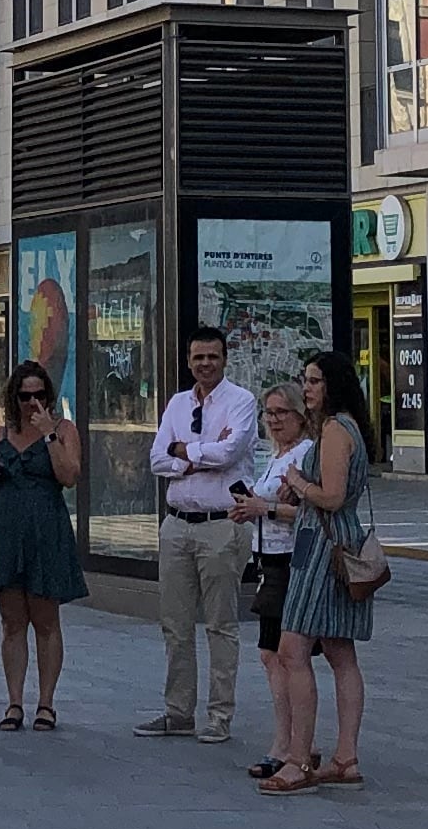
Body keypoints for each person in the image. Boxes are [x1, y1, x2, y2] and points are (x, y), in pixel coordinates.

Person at [264, 344, 380, 793]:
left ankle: (298, 758)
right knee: (339, 650)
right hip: (338, 540)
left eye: (313, 380)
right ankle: (345, 756)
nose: (306, 388)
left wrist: (296, 482)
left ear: (332, 385)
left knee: (293, 648)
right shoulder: (348, 428)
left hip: (324, 546)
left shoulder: (334, 430)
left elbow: (331, 496)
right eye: (305, 380)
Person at [138, 323, 257, 740]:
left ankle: (219, 716)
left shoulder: (241, 402)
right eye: (198, 357)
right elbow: (155, 458)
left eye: (213, 356)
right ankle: (178, 712)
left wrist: (183, 450)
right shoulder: (176, 404)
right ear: (188, 361)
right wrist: (190, 457)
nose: (205, 364)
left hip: (222, 525)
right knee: (175, 623)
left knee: (221, 624)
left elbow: (231, 453)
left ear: (225, 358)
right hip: (176, 524)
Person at [0, 360, 87, 728]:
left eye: (39, 395)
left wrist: (48, 434)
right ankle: (14, 702)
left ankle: (47, 703)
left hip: (45, 530)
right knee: (12, 622)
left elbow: (69, 476)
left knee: (46, 619)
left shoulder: (63, 429)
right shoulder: (2, 433)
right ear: (14, 397)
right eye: (25, 396)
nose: (32, 403)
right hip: (7, 531)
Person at [240, 383, 311, 782]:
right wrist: (253, 508)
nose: (274, 420)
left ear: (300, 415)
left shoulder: (304, 454)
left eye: (282, 412)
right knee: (272, 653)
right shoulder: (275, 455)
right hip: (267, 556)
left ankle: (288, 744)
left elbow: (304, 510)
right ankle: (292, 740)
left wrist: (263, 507)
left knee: (281, 654)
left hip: (288, 559)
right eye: (269, 412)